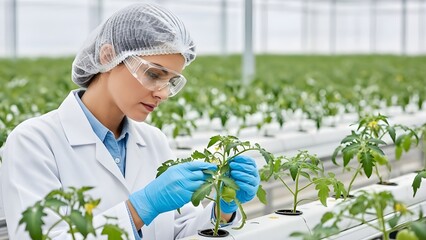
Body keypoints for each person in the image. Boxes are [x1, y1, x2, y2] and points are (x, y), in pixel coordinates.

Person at [0, 3, 260, 240]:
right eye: (153, 74)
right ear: (107, 56)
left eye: (171, 81)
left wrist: (222, 210)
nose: (163, 93)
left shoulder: (153, 140)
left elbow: (181, 230)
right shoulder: (34, 142)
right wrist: (138, 209)